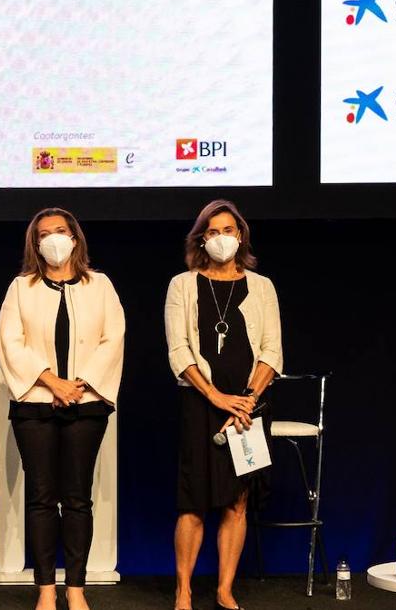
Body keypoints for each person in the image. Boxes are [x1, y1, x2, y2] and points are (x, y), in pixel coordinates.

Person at [0, 208, 125, 610]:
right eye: (45, 234)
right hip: (35, 404)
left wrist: (78, 385)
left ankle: (76, 590)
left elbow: (113, 337)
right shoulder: (22, 287)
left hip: (85, 405)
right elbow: (10, 342)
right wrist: (52, 382)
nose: (54, 239)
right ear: (35, 244)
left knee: (77, 498)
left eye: (61, 232)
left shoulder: (100, 285)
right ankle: (47, 591)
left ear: (75, 238)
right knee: (40, 498)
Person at [165, 199, 282, 610]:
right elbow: (179, 351)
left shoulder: (262, 286)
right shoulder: (183, 284)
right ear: (201, 238)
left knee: (237, 500)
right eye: (212, 232)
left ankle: (224, 590)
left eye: (228, 230)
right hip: (201, 402)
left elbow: (272, 351)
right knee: (193, 500)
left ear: (240, 235)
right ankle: (184, 591)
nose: (220, 238)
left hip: (249, 407)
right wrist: (217, 397)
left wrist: (246, 401)